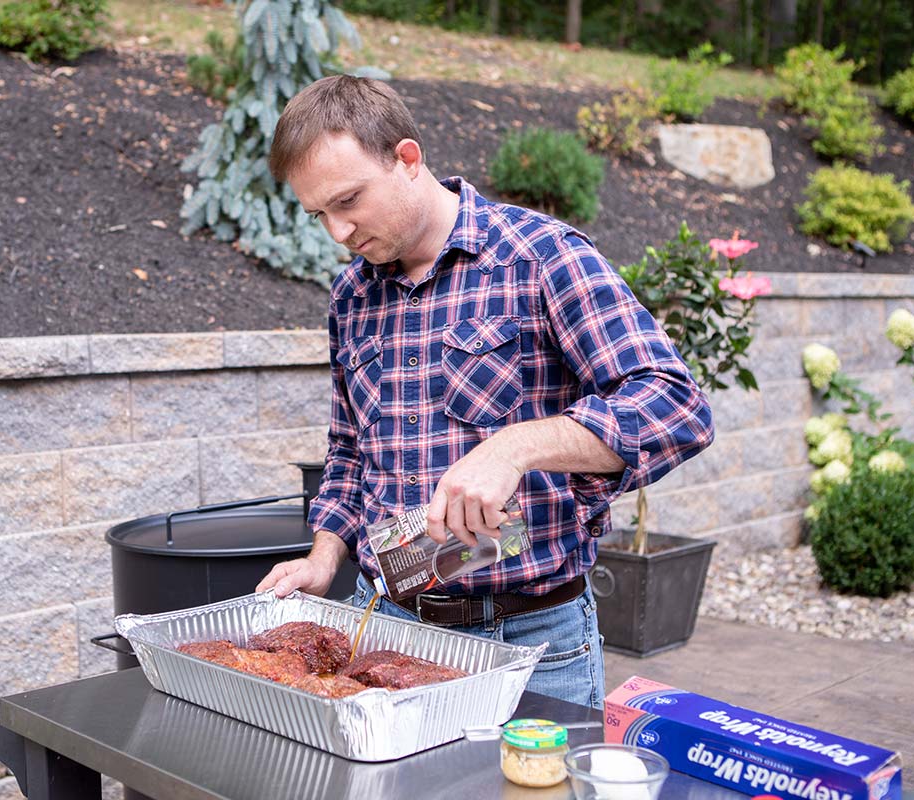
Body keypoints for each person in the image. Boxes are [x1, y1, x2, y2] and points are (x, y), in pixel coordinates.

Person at [255, 75, 714, 709]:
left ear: (408, 159)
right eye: (319, 214)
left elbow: (675, 405)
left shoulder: (543, 257)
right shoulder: (351, 297)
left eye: (349, 200)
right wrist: (323, 555)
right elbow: (349, 450)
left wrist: (516, 447)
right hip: (388, 624)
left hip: (531, 640)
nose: (338, 231)